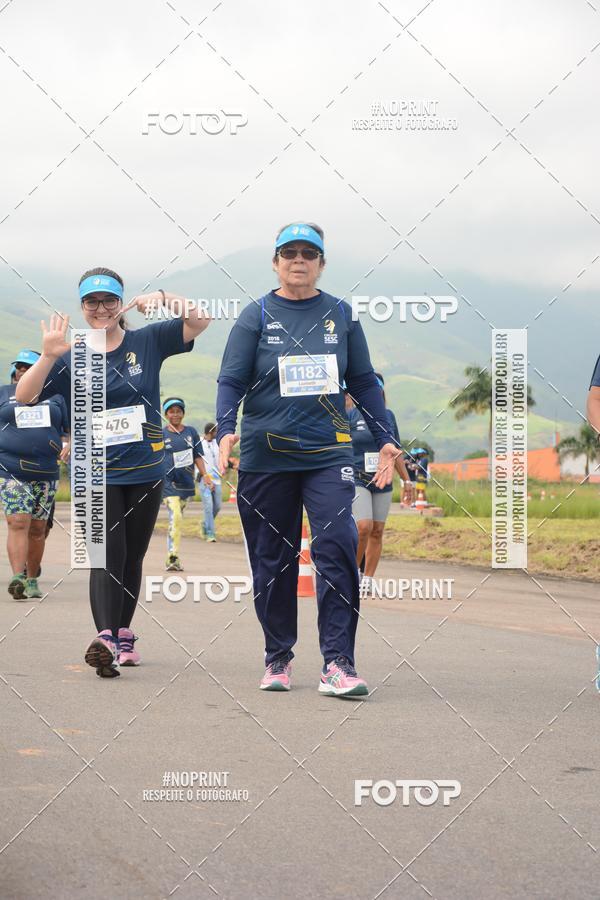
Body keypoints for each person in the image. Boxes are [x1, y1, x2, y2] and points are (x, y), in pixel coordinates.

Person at [217, 223, 399, 697]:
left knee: (338, 546)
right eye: (289, 253)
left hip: (327, 453)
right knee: (271, 560)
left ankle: (338, 663)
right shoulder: (254, 315)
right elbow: (231, 380)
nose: (299, 260)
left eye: (309, 254)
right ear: (276, 262)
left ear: (321, 263)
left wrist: (384, 437)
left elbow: (362, 381)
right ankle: (278, 656)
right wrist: (226, 428)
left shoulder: (341, 314)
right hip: (264, 455)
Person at [16, 267, 210, 677]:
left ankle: (123, 633)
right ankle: (104, 636)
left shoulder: (147, 340)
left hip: (145, 467)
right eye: (92, 302)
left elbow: (199, 320)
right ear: (83, 306)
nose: (100, 308)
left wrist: (164, 296)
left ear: (120, 304)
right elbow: (25, 395)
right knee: (106, 555)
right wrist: (50, 355)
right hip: (95, 472)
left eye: (108, 300)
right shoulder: (72, 355)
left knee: (133, 556)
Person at [0, 349, 69, 599]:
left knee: (38, 528)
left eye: (29, 366)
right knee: (18, 522)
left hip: (46, 471)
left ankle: (31, 579)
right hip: (10, 469)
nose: (23, 371)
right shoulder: (3, 394)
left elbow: (69, 429)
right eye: (19, 366)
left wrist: (69, 441)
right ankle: (17, 576)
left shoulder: (58, 397)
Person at [346, 373, 408, 596]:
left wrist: (407, 479)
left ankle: (368, 579)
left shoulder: (388, 417)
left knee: (377, 531)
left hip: (384, 479)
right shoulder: (351, 415)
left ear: (381, 391)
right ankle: (352, 574)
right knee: (364, 527)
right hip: (358, 477)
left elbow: (396, 451)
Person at [161, 397, 207, 570]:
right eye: (171, 411)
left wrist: (206, 475)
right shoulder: (161, 434)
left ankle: (172, 554)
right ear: (166, 414)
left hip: (186, 484)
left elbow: (197, 456)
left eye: (178, 411)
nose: (175, 414)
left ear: (183, 413)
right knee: (176, 517)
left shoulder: (191, 432)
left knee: (176, 520)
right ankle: (173, 558)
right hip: (167, 483)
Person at [199, 422, 222, 542]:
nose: (217, 433)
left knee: (217, 506)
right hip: (204, 479)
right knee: (208, 506)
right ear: (210, 432)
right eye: (215, 431)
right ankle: (210, 533)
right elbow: (197, 461)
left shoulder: (216, 443)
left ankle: (205, 523)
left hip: (216, 479)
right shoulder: (200, 443)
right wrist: (204, 476)